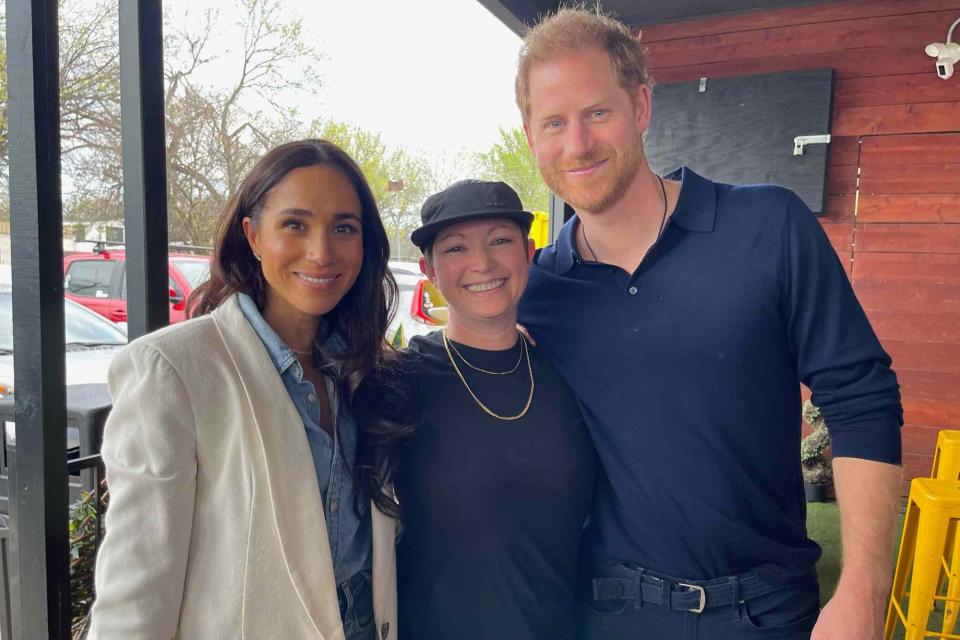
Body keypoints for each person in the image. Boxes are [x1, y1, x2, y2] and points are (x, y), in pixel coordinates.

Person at [514, 9, 903, 640]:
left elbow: (862, 398)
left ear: (640, 106)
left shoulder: (770, 227)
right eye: (553, 122)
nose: (577, 143)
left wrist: (862, 590)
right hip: (611, 612)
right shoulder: (540, 293)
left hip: (768, 611)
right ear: (530, 133)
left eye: (597, 112)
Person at [88, 140, 400, 640]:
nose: (321, 251)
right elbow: (137, 589)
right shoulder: (175, 369)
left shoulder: (366, 370)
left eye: (344, 227)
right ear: (253, 236)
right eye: (294, 224)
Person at [360, 180, 595, 640]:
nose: (482, 263)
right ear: (429, 269)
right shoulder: (397, 381)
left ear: (529, 251)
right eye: (455, 248)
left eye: (500, 241)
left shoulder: (571, 372)